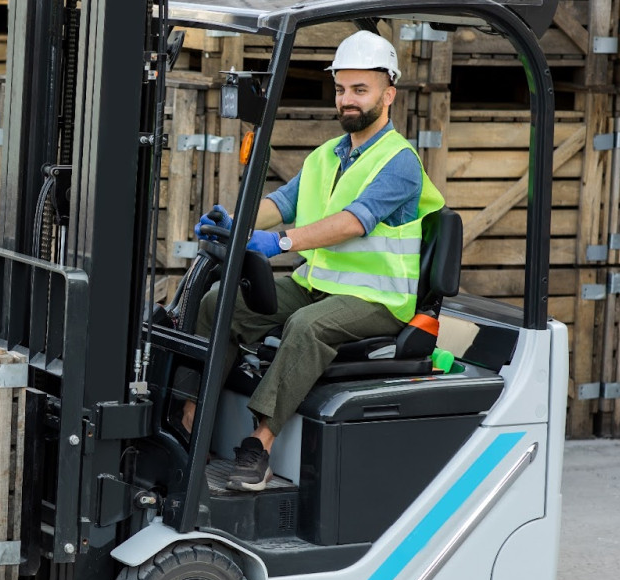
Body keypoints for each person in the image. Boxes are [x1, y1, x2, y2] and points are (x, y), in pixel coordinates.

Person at [185, 30, 446, 491]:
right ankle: (190, 421)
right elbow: (282, 203)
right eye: (341, 89)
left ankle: (259, 447)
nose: (347, 100)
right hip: (319, 283)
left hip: (377, 299)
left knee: (307, 326)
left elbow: (353, 222)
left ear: (388, 94)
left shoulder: (400, 161)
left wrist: (280, 244)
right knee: (218, 303)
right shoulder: (328, 154)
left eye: (359, 90)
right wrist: (236, 221)